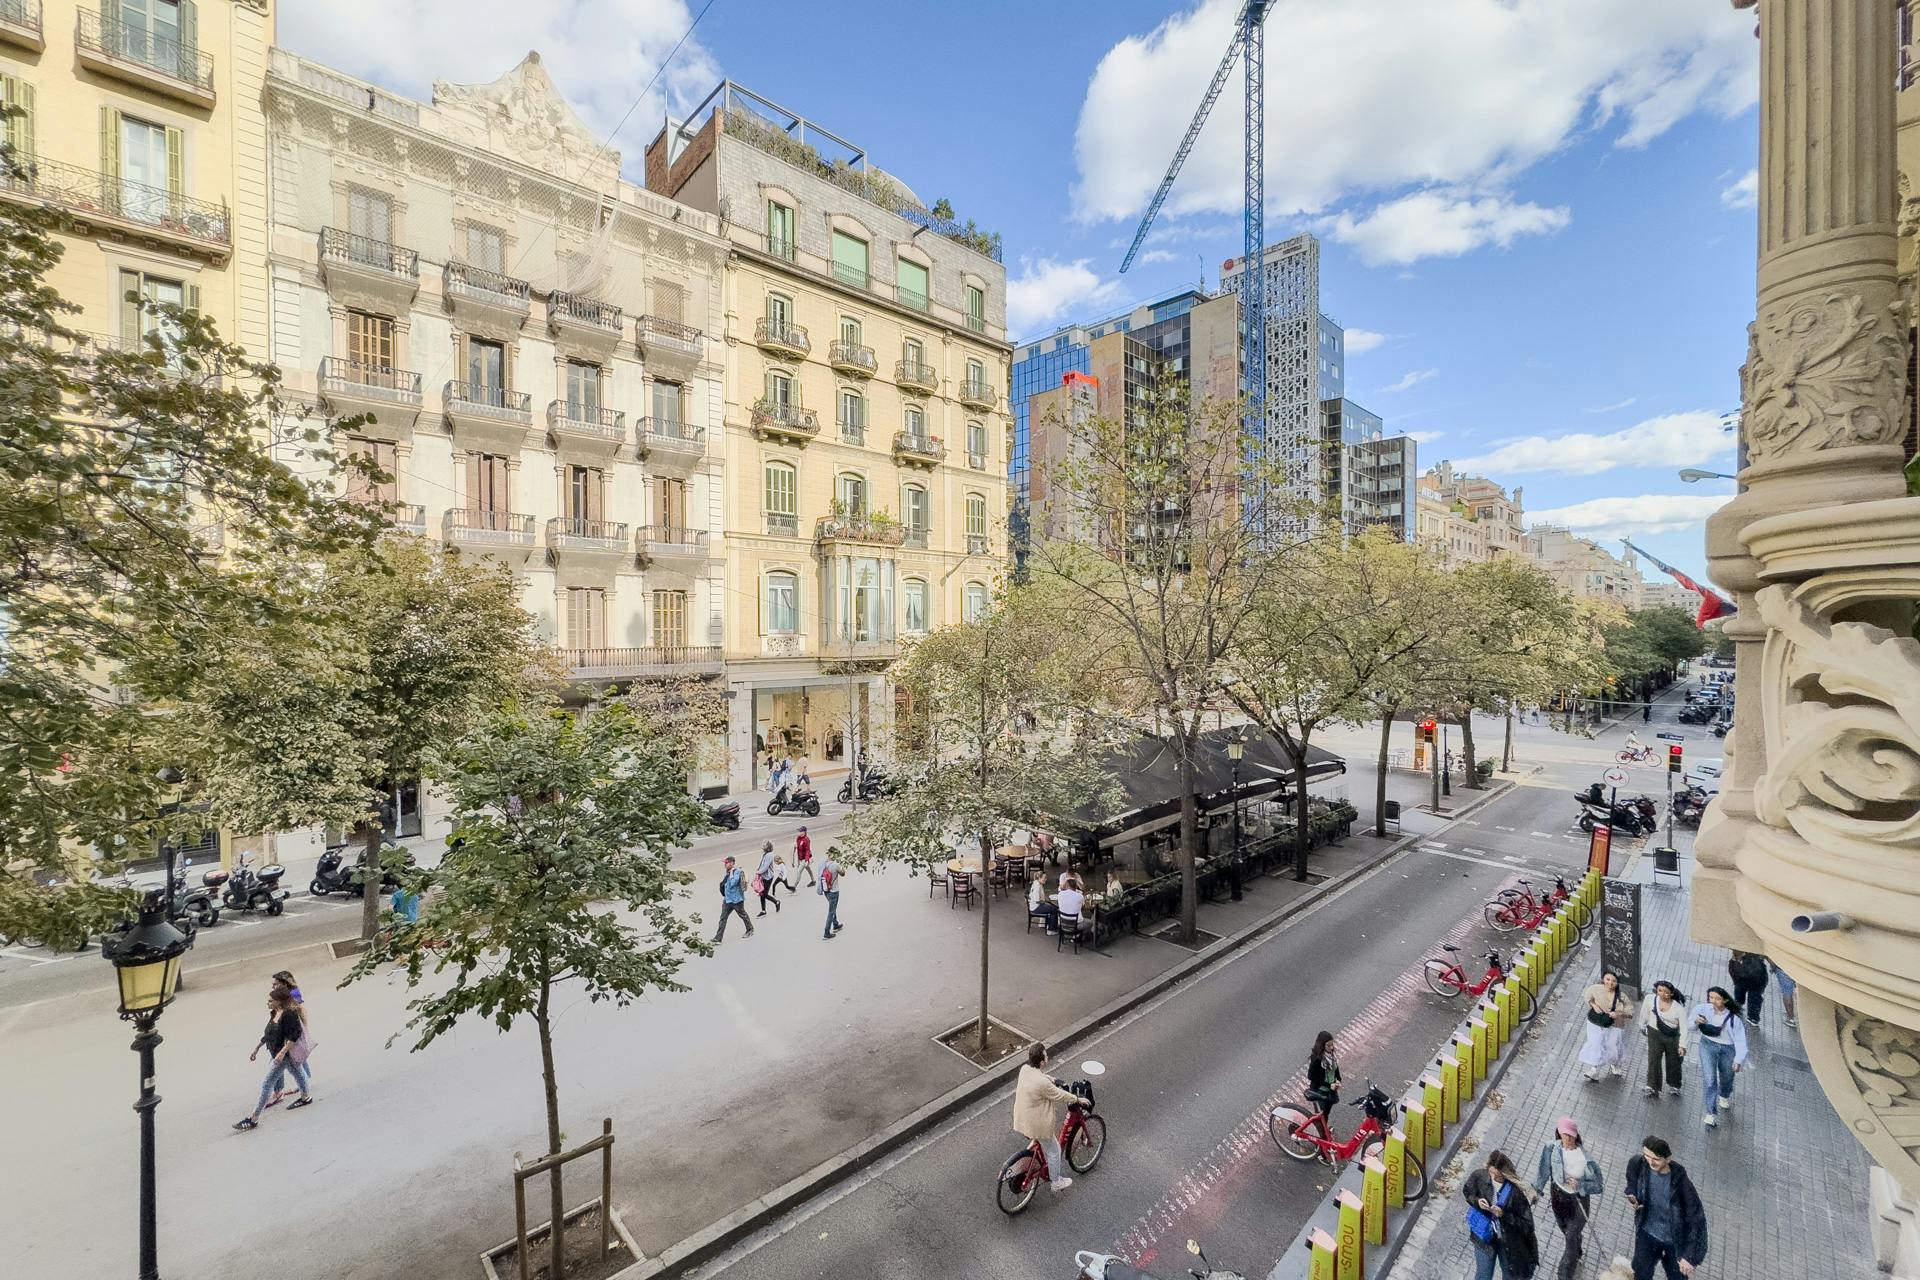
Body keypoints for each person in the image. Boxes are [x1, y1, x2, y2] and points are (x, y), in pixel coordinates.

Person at [1623, 1136, 1707, 1278]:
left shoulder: (1682, 1184)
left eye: (1656, 1159)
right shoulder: (1638, 1163)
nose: (1650, 1162)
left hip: (1674, 1241)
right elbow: (1631, 1179)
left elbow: (1696, 1220)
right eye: (1647, 1156)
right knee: (1640, 1274)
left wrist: (1689, 1257)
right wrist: (1632, 1194)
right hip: (1647, 1233)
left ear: (1668, 1159)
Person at [234, 990, 313, 1129]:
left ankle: (253, 1119)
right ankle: (306, 1097)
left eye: (270, 1000)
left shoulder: (289, 1014)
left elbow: (294, 1036)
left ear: (279, 1001)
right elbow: (269, 1034)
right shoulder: (275, 1012)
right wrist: (257, 1048)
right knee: (298, 1073)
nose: (267, 1003)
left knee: (267, 1083)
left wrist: (282, 1053)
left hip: (284, 1055)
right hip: (278, 1054)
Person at [1536, 1118, 1603, 1280]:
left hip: (1578, 1202)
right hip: (1558, 1199)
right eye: (1564, 1134)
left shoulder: (1585, 1159)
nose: (1567, 1139)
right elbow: (1544, 1170)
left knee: (1570, 1237)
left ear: (1576, 1136)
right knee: (1567, 1232)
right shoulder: (1551, 1148)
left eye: (1570, 1135)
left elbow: (1598, 1185)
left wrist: (1580, 1184)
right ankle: (1577, 1244)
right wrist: (1537, 1190)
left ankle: (1564, 1275)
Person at [1013, 1042, 1082, 1192]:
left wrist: (1050, 1078)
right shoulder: (1043, 1084)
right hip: (1036, 1124)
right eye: (1045, 1056)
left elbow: (1037, 1077)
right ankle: (1056, 1182)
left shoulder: (1025, 1069)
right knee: (1054, 1151)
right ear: (1041, 1062)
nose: (1047, 1057)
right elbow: (1060, 1095)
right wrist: (1077, 1099)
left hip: (1022, 1118)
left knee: (1042, 1142)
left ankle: (1031, 1157)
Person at [1462, 1150, 1538, 1280]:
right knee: (1483, 1275)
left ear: (1504, 1173)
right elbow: (1467, 1191)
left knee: (1509, 1276)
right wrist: (1477, 1201)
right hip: (1484, 1237)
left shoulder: (1515, 1194)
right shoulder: (1479, 1176)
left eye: (1497, 1175)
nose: (1493, 1177)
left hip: (1507, 1241)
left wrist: (1504, 1215)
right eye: (1491, 1173)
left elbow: (1527, 1225)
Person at [1690, 986, 1748, 1127]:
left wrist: (1738, 1060)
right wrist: (1696, 1022)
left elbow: (1741, 1040)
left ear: (1725, 1000)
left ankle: (1724, 1094)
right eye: (1711, 997)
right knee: (1710, 1079)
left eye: (1717, 998)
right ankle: (1710, 1113)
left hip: (1728, 1048)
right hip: (1707, 1045)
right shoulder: (1702, 1009)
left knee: (1727, 1076)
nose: (1713, 1001)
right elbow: (1690, 1026)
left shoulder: (1734, 1019)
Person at [1579, 970, 1630, 1082]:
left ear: (1617, 983)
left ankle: (1614, 1064)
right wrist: (1593, 1005)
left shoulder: (1622, 996)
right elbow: (1587, 997)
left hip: (1615, 1024)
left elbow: (1630, 1012)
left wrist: (1618, 1014)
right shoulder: (1595, 989)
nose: (1610, 983)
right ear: (1603, 979)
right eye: (1607, 979)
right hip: (1596, 1022)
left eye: (1613, 981)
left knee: (1613, 1045)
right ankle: (1594, 1070)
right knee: (1596, 1043)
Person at [1641, 980, 1687, 1099]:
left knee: (1674, 1061)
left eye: (1666, 992)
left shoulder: (1678, 1008)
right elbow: (1644, 1013)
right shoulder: (1650, 999)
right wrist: (1642, 1026)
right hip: (1654, 1033)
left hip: (1672, 1037)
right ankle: (1652, 1086)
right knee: (1653, 1059)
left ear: (1671, 993)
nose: (1662, 994)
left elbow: (1684, 1028)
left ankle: (1674, 1085)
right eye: (1660, 990)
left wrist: (1682, 1045)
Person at [712, 856, 753, 943]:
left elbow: (732, 883)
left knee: (743, 915)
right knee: (723, 918)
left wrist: (731, 874)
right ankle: (718, 938)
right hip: (727, 900)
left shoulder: (737, 872)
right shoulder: (727, 872)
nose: (725, 865)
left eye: (726, 863)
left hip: (736, 900)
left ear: (732, 863)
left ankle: (750, 929)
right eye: (725, 863)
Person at [1306, 1030, 1341, 1117]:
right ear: (1322, 1045)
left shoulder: (1331, 1055)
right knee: (1322, 1114)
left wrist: (1338, 1079)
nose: (1331, 1047)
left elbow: (1335, 1068)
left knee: (1327, 1112)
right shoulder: (1317, 1059)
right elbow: (1310, 1076)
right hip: (1320, 1091)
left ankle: (1324, 1124)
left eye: (1332, 1044)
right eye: (1329, 1045)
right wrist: (1329, 1085)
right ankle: (1321, 1125)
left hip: (1330, 1089)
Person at [1727, 950, 1768, 1023]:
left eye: (1736, 955)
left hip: (1756, 982)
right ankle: (1739, 1006)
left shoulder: (1752, 960)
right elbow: (1734, 975)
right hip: (1745, 980)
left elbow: (1754, 973)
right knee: (1739, 991)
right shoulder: (1736, 961)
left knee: (1754, 998)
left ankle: (1753, 1017)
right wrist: (1734, 962)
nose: (1734, 956)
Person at [817, 848, 843, 940]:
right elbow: (843, 873)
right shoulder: (835, 865)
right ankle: (826, 932)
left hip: (826, 890)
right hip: (834, 891)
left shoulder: (822, 863)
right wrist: (842, 866)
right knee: (831, 911)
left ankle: (836, 924)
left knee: (832, 907)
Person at [1769, 957, 1798, 1028]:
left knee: (1787, 993)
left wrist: (1773, 967)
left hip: (1783, 968)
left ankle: (1790, 1018)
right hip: (1797, 968)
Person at [754, 842, 781, 916]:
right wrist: (758, 869)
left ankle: (776, 902)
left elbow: (765, 867)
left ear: (768, 847)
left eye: (764, 845)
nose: (762, 846)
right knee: (762, 894)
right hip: (764, 876)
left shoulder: (769, 855)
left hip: (768, 877)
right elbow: (762, 864)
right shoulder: (765, 854)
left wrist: (758, 872)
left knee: (764, 894)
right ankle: (763, 911)